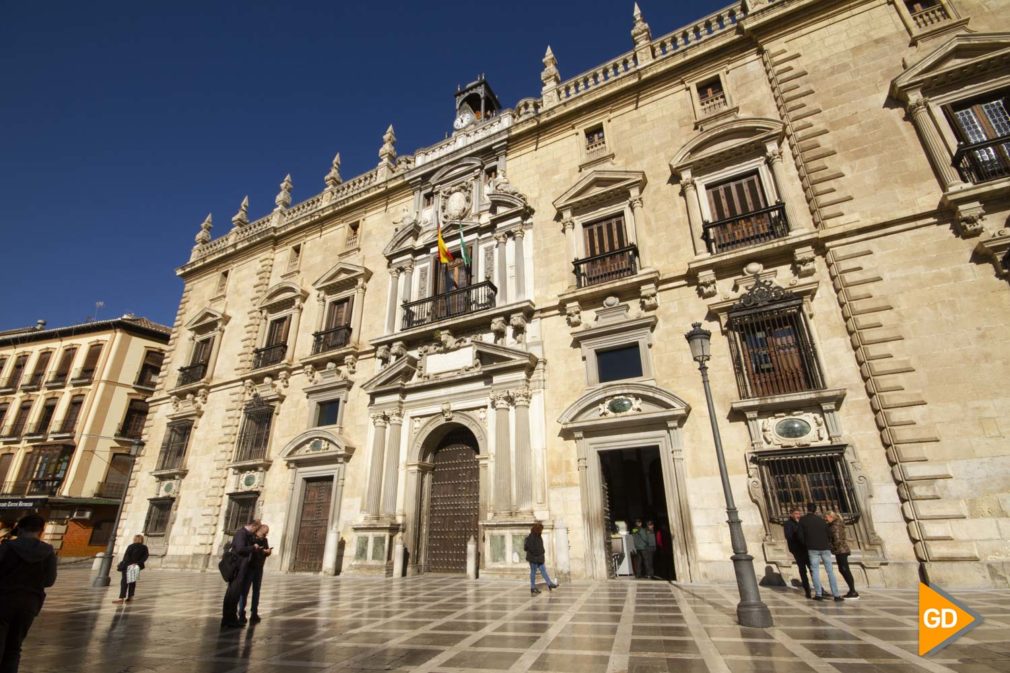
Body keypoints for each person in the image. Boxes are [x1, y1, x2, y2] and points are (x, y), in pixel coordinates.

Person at [0, 514, 58, 673]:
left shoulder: (7, 547)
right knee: (14, 647)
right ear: (41, 530)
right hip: (30, 603)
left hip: (3, 599)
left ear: (21, 528)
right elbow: (49, 581)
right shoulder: (48, 552)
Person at [798, 503, 843, 602]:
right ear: (815, 510)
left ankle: (818, 594)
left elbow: (800, 535)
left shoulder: (803, 520)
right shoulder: (821, 520)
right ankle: (836, 595)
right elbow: (828, 533)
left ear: (807, 509)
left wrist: (806, 544)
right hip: (825, 548)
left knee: (815, 571)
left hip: (812, 548)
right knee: (830, 571)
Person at [221, 518, 261, 629]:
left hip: (241, 568)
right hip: (237, 568)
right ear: (253, 526)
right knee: (232, 594)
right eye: (256, 529)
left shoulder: (246, 534)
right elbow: (239, 549)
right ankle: (228, 620)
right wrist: (253, 547)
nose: (255, 531)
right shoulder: (241, 534)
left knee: (235, 595)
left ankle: (231, 619)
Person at [238, 524, 272, 624]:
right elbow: (246, 550)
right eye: (265, 532)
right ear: (260, 530)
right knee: (245, 591)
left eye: (267, 533)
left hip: (259, 568)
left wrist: (267, 552)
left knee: (256, 591)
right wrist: (255, 548)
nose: (266, 535)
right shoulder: (251, 537)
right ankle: (241, 613)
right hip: (249, 567)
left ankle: (254, 613)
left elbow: (265, 551)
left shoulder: (264, 540)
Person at [825, 511, 859, 599]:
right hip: (841, 550)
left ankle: (853, 591)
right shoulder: (837, 524)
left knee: (845, 570)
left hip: (841, 550)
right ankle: (852, 590)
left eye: (827, 517)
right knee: (843, 569)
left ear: (831, 517)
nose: (826, 519)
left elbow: (837, 539)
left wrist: (832, 547)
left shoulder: (835, 526)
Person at [783, 507, 812, 599]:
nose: (798, 516)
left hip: (806, 549)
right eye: (796, 514)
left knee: (812, 569)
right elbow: (789, 536)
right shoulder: (788, 524)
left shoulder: (802, 523)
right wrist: (798, 531)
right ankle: (807, 589)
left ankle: (819, 588)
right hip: (797, 550)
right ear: (791, 514)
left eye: (799, 514)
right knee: (802, 570)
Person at [113, 534, 150, 604]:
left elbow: (126, 556)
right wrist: (137, 563)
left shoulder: (131, 546)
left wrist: (124, 563)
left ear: (134, 539)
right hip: (136, 566)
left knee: (124, 582)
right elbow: (145, 557)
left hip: (128, 565)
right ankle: (130, 597)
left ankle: (121, 598)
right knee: (132, 582)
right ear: (142, 540)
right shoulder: (144, 547)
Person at [524, 522, 558, 595]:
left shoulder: (538, 536)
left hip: (539, 558)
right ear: (537, 530)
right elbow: (530, 548)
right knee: (533, 572)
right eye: (541, 529)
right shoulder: (531, 537)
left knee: (543, 571)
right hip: (534, 558)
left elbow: (540, 547)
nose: (542, 531)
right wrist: (540, 552)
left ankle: (550, 583)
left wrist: (542, 552)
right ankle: (532, 587)